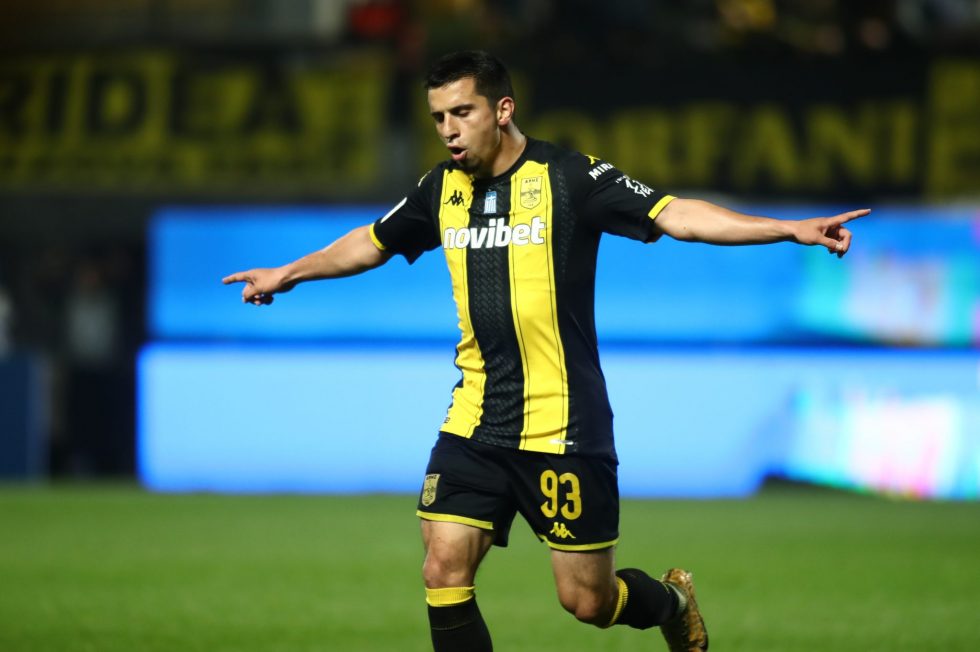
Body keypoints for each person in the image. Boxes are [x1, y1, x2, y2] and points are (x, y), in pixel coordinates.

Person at [223, 50, 865, 652]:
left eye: (462, 112)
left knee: (587, 601)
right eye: (438, 117)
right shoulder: (438, 190)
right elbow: (372, 241)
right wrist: (289, 273)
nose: (448, 130)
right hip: (476, 420)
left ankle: (671, 602)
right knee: (443, 565)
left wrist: (788, 229)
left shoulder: (570, 177)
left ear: (503, 109)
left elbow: (677, 216)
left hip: (565, 424)